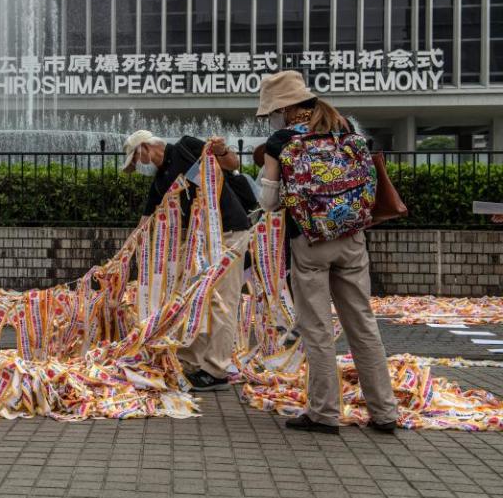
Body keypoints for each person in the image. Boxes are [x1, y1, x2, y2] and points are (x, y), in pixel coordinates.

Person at [255, 70, 399, 435]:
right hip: (352, 238)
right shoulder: (344, 126)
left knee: (317, 329)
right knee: (363, 324)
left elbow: (269, 202)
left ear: (284, 108)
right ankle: (384, 411)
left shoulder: (282, 140)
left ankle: (324, 413)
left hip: (309, 242)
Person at [122, 130, 252, 391]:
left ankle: (217, 370)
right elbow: (145, 222)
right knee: (196, 301)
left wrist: (221, 150)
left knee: (223, 302)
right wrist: (122, 258)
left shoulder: (185, 147)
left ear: (145, 147)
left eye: (137, 159)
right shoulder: (161, 182)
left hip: (229, 231)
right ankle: (191, 361)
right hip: (201, 243)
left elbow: (232, 165)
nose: (139, 165)